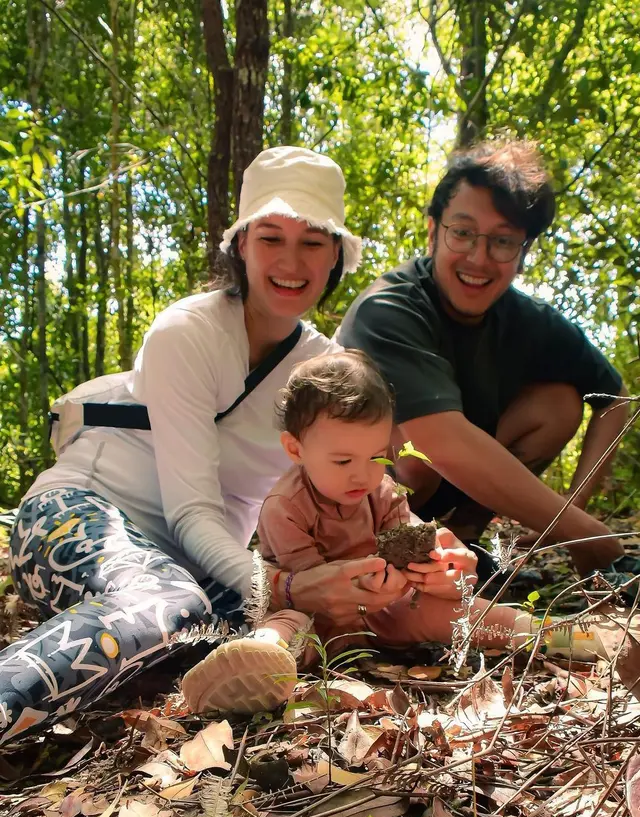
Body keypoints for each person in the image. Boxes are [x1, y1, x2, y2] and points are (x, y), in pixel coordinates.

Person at [0, 147, 408, 744]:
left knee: (293, 632)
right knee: (174, 601)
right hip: (80, 515)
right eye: (271, 238)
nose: (291, 261)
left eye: (314, 243)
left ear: (337, 258)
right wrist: (280, 587)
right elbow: (191, 512)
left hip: (203, 569)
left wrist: (410, 562)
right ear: (241, 246)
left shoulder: (325, 370)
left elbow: (367, 484)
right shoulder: (187, 333)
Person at [181, 351, 608, 715]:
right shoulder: (284, 507)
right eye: (343, 461)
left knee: (463, 609)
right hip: (319, 617)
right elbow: (310, 587)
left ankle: (555, 634)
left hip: (387, 609)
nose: (363, 474)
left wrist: (446, 570)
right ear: (296, 450)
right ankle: (256, 662)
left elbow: (412, 538)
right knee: (289, 623)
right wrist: (362, 585)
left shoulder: (381, 490)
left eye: (376, 455)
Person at [337, 139, 632, 579]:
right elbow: (440, 441)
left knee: (559, 403)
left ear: (523, 252)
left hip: (446, 496)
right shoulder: (388, 308)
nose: (479, 257)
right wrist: (581, 532)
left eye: (502, 241)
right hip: (351, 509)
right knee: (419, 456)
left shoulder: (530, 321)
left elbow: (616, 399)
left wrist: (573, 507)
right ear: (433, 230)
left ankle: (463, 543)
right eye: (462, 232)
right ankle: (386, 557)